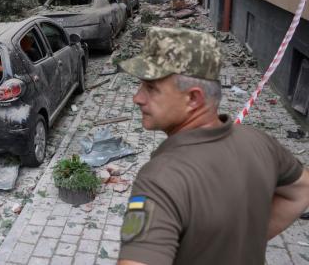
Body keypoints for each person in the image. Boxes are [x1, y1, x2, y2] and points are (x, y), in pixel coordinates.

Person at [117, 27, 309, 265]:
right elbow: (302, 190)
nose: (137, 97)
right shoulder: (260, 142)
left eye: (151, 88)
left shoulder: (160, 179)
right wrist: (248, 242)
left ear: (193, 99)